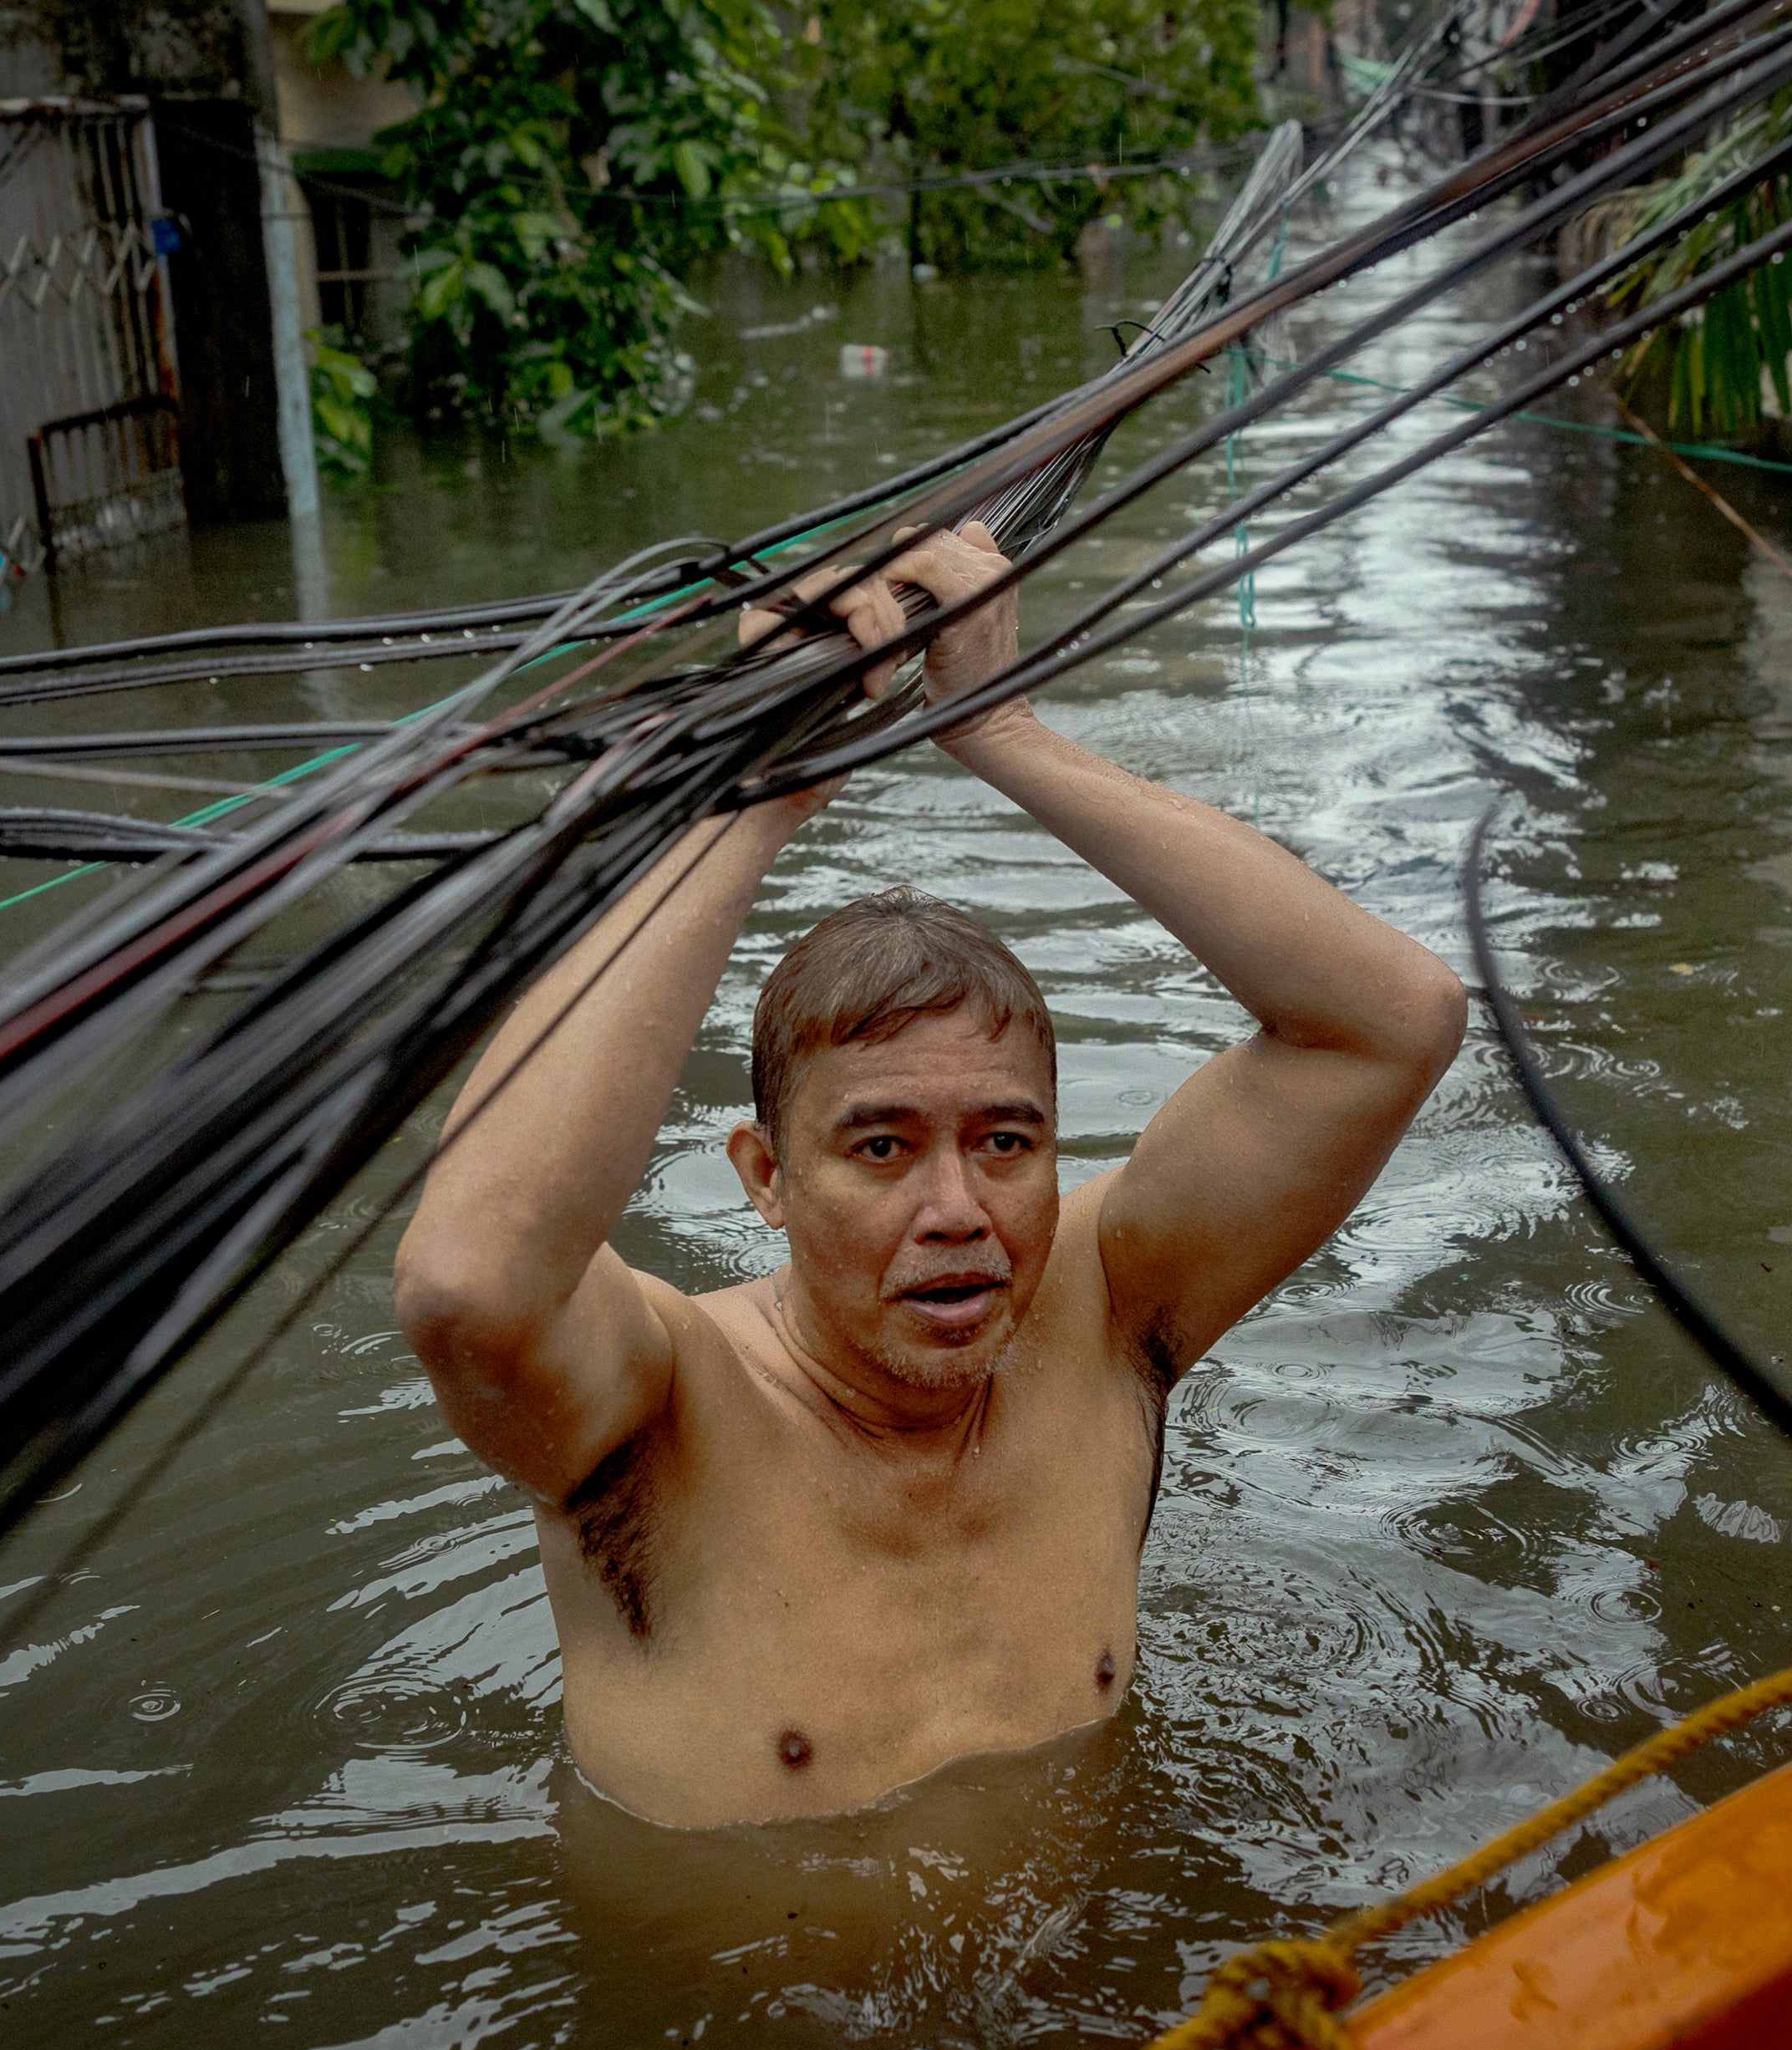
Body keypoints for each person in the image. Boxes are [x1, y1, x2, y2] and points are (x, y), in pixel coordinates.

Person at [395, 522, 1467, 1829]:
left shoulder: (1105, 1314)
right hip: (735, 2023)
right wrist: (750, 803)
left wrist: (1005, 736)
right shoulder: (654, 1407)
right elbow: (468, 1280)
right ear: (764, 1178)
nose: (957, 1213)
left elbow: (1389, 1024)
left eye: (1005, 1144)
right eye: (881, 1149)